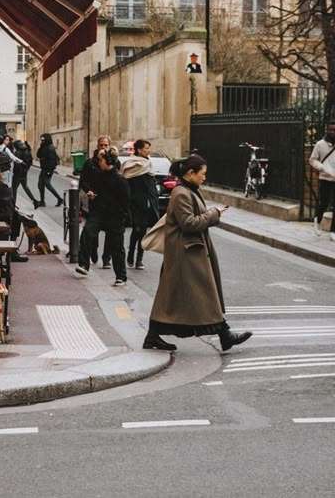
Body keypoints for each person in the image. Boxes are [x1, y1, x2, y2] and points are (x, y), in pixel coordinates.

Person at [143, 154, 253, 353]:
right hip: (185, 254)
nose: (204, 177)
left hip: (190, 251)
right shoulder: (181, 193)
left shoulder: (189, 190)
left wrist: (211, 212)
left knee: (172, 297)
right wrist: (214, 214)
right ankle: (225, 334)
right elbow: (189, 224)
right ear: (190, 173)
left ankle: (153, 336)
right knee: (203, 294)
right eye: (202, 174)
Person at [76, 149, 129, 285]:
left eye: (101, 160)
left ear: (107, 162)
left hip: (114, 216)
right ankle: (83, 265)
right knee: (87, 234)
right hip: (98, 213)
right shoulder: (98, 176)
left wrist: (122, 217)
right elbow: (91, 188)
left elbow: (125, 201)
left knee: (117, 246)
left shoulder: (120, 179)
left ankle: (121, 276)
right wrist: (91, 194)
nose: (99, 162)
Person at [122, 139, 160, 270]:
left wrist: (154, 200)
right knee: (137, 229)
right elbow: (126, 182)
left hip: (146, 203)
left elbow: (151, 185)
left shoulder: (148, 164)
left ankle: (138, 259)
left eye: (149, 148)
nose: (148, 151)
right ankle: (131, 254)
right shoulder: (131, 164)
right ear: (139, 150)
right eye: (146, 149)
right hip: (134, 202)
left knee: (142, 231)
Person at [77, 137, 113, 270]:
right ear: (97, 146)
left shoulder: (112, 162)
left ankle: (106, 259)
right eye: (101, 145)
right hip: (94, 200)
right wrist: (89, 191)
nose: (104, 147)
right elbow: (83, 181)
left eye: (106, 145)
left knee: (110, 231)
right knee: (93, 231)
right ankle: (93, 251)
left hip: (109, 202)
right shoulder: (90, 163)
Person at [309, 122, 335, 240]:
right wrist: (322, 167)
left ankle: (333, 231)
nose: (333, 132)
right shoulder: (320, 144)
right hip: (325, 178)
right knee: (324, 203)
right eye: (331, 130)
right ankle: (317, 220)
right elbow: (312, 160)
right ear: (327, 130)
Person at [36, 133, 62, 206]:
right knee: (40, 184)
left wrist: (49, 171)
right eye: (41, 139)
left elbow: (52, 161)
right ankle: (42, 201)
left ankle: (59, 199)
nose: (42, 140)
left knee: (47, 184)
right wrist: (41, 146)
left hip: (48, 169)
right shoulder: (44, 146)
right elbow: (38, 155)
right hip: (44, 168)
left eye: (43, 139)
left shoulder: (50, 148)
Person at [12, 138, 38, 207]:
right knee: (25, 187)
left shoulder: (17, 152)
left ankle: (13, 205)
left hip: (17, 174)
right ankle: (35, 201)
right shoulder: (27, 151)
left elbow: (17, 163)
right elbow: (30, 162)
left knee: (14, 189)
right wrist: (26, 169)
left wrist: (14, 171)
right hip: (24, 173)